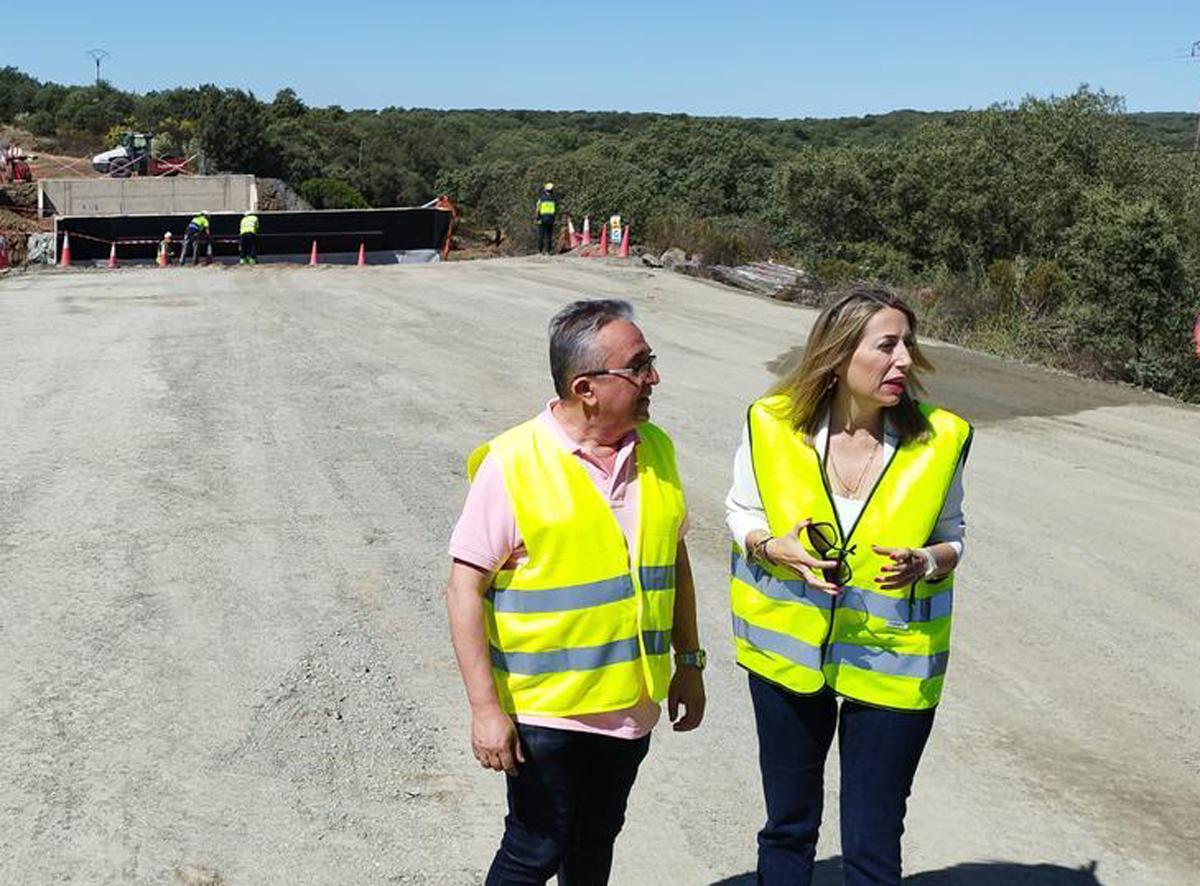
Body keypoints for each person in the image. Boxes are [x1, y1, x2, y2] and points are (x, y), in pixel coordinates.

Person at [446, 298, 706, 885]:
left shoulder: (656, 449)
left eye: (651, 361)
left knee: (594, 844)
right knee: (534, 850)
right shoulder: (512, 463)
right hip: (546, 713)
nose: (653, 378)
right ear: (585, 387)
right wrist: (485, 710)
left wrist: (689, 664)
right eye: (639, 366)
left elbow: (675, 561)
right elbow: (463, 588)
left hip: (630, 708)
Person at [725, 285, 972, 886]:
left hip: (893, 664)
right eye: (887, 346)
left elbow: (954, 534)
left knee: (872, 843)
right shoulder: (772, 423)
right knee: (788, 828)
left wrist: (928, 561)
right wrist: (768, 545)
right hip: (787, 656)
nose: (905, 361)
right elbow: (742, 511)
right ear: (838, 355)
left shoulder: (941, 438)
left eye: (908, 346)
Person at [534, 183, 557, 255]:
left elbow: (537, 209)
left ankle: (540, 251)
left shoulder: (541, 199)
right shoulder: (554, 199)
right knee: (549, 236)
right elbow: (556, 210)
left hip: (542, 219)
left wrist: (537, 218)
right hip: (550, 219)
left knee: (541, 236)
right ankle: (548, 251)